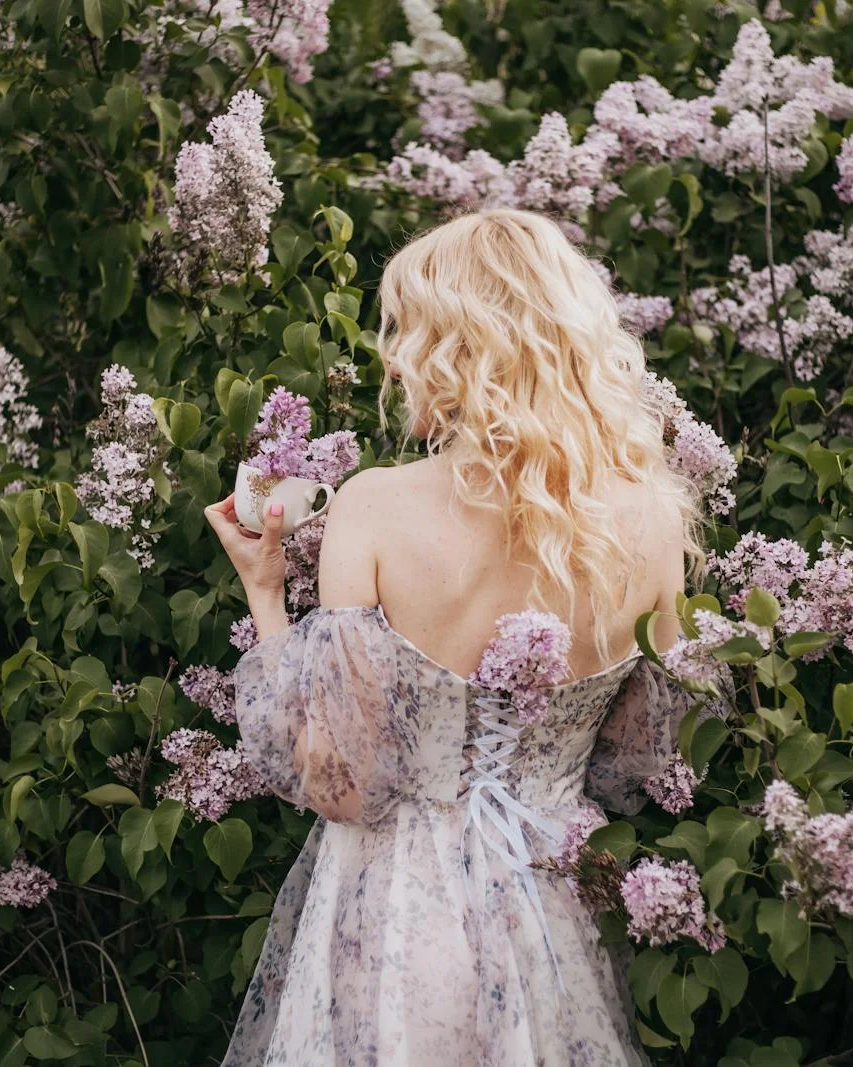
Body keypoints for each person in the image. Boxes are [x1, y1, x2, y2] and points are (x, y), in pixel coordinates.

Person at [204, 208, 703, 1066]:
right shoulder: (654, 521)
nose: (394, 358)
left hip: (394, 918)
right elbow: (644, 760)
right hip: (555, 916)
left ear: (462, 347)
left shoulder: (373, 505)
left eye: (407, 330)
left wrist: (265, 594)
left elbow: (337, 782)